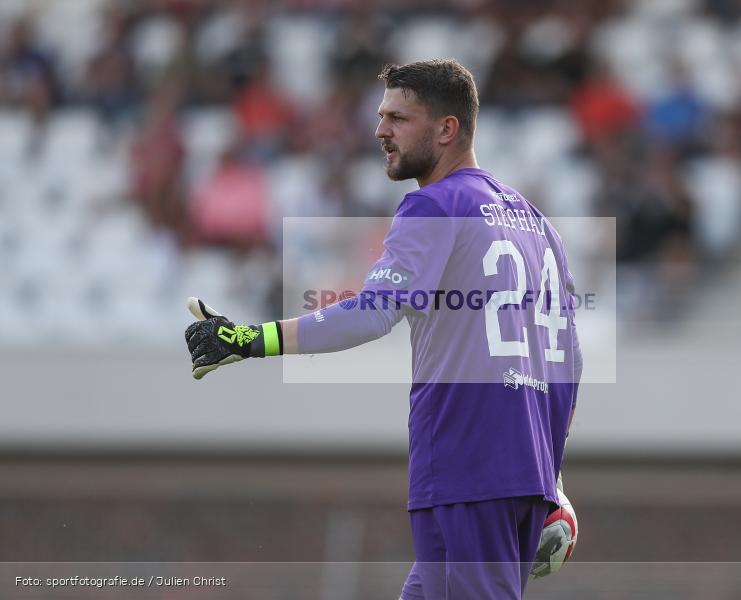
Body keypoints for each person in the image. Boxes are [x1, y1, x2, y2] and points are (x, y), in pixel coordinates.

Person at [184, 59, 582, 600]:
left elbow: (374, 311)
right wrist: (551, 480)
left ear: (447, 129)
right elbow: (565, 364)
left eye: (399, 118)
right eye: (381, 116)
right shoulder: (539, 225)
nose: (380, 131)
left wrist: (252, 339)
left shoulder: (435, 205)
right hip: (518, 475)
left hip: (467, 468)